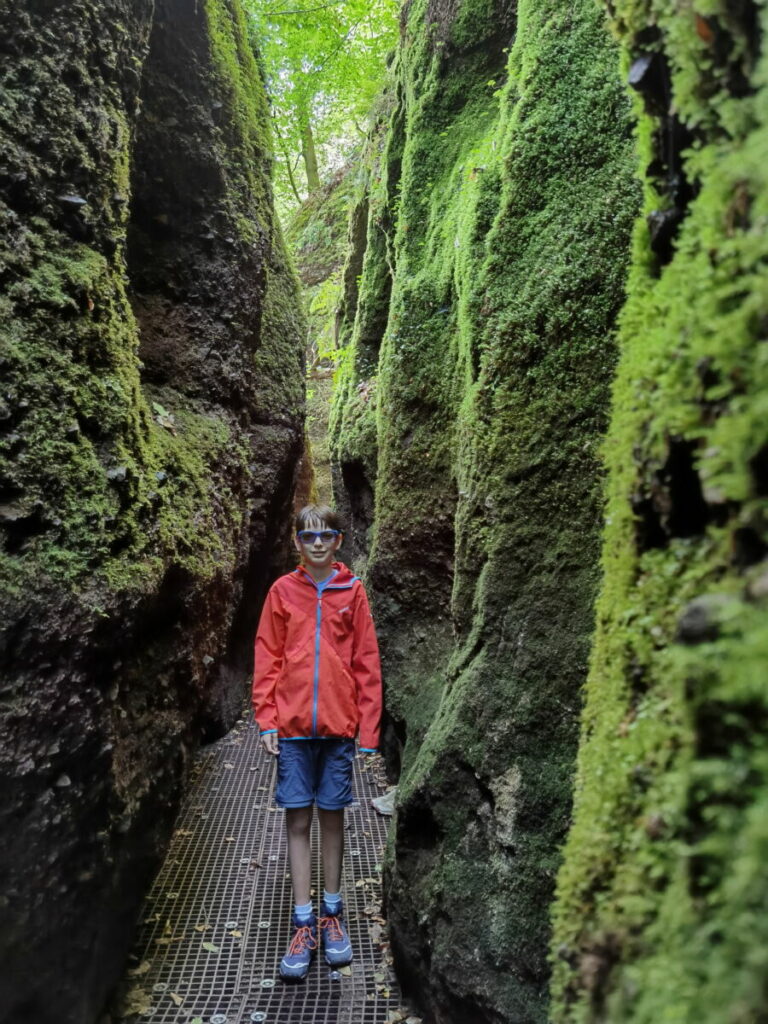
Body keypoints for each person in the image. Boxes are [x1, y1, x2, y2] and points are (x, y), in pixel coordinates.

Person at [252, 504, 382, 981]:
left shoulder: (354, 592)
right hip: (291, 729)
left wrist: (368, 731)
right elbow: (267, 654)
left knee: (332, 816)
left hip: (338, 728)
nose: (319, 544)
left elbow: (367, 661)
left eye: (327, 535)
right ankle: (302, 918)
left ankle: (332, 913)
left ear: (340, 541)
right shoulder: (282, 591)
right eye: (309, 537)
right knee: (297, 819)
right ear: (298, 544)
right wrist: (267, 719)